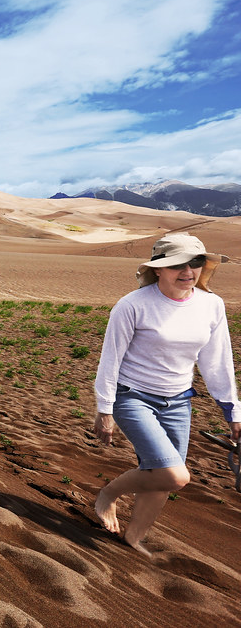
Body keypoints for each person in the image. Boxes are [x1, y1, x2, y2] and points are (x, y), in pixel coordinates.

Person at [93, 232, 240, 556]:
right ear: (158, 269)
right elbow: (110, 359)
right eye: (178, 264)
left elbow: (217, 361)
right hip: (132, 397)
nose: (188, 271)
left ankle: (132, 540)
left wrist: (233, 412)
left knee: (160, 474)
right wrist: (105, 409)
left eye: (196, 262)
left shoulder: (211, 305)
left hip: (179, 402)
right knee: (174, 475)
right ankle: (109, 495)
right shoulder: (133, 305)